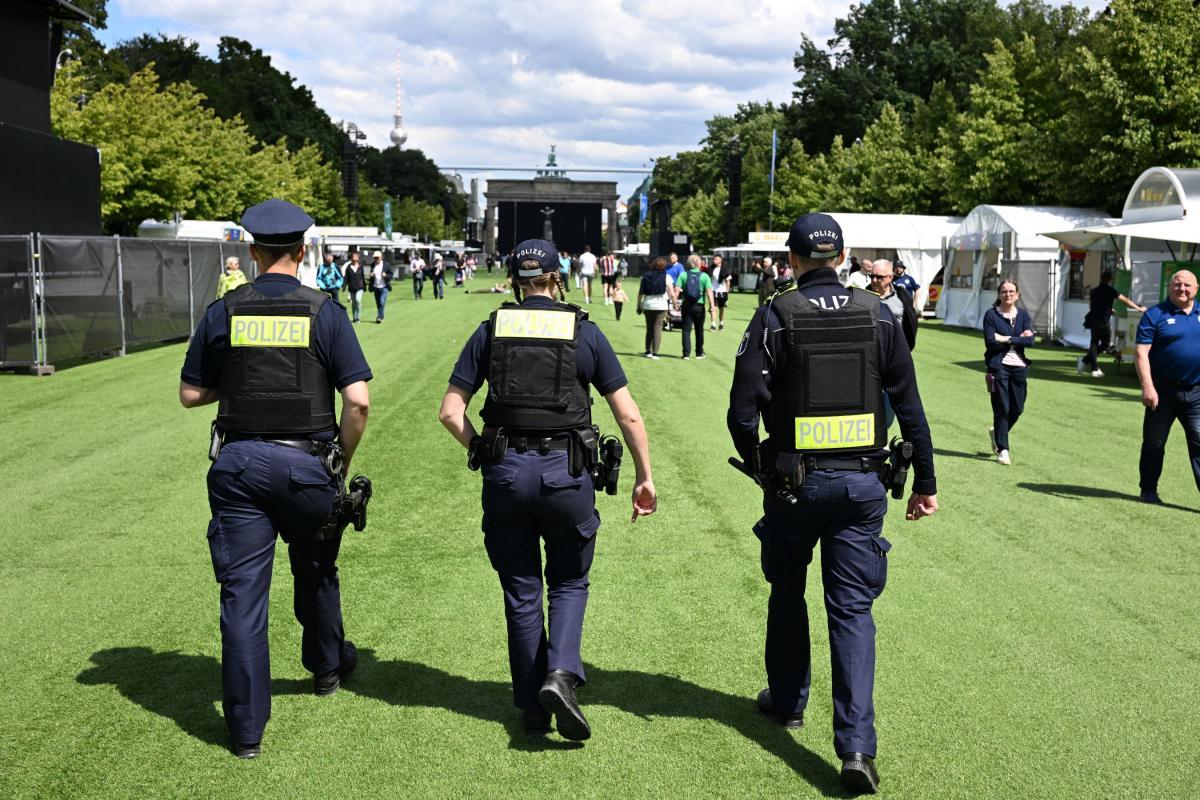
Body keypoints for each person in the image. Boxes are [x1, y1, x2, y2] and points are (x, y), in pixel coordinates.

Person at [727, 213, 937, 795]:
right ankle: (857, 750)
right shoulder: (879, 314)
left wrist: (762, 464)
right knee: (851, 611)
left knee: (788, 589)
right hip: (864, 486)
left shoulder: (775, 314)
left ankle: (790, 703)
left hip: (796, 487)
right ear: (843, 258)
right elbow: (911, 406)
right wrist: (926, 481)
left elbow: (742, 413)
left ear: (792, 260)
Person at [438, 238, 657, 741]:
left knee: (521, 591)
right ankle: (560, 675)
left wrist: (480, 448)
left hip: (506, 473)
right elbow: (627, 413)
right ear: (557, 278)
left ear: (515, 280)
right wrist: (644, 476)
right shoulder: (584, 330)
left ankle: (532, 709)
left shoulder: (490, 329)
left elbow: (451, 412)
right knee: (569, 582)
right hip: (569, 473)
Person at [178, 198, 372, 759]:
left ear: (253, 252)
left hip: (237, 467)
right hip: (307, 465)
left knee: (242, 599)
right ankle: (327, 668)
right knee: (316, 569)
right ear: (303, 249)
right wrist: (342, 459)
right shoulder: (325, 312)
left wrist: (236, 387)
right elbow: (357, 402)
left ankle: (245, 734)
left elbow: (192, 393)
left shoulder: (224, 310)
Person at [1135, 269, 1200, 504]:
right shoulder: (1155, 315)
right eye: (1177, 284)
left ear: (1196, 288)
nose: (1181, 288)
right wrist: (1147, 387)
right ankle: (1148, 490)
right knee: (1154, 442)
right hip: (1162, 392)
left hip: (1196, 392)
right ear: (1169, 287)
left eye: (1187, 285)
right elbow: (1141, 353)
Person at [983, 279, 1034, 466]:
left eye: (1011, 291)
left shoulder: (1023, 316)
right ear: (999, 295)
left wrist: (1005, 338)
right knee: (1002, 407)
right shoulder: (991, 315)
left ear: (1017, 295)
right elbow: (990, 341)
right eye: (1004, 291)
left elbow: (1030, 341)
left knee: (1017, 408)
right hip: (998, 366)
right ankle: (1003, 450)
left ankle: (996, 431)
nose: (1008, 294)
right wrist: (1017, 338)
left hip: (1019, 366)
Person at [1079, 270, 1145, 377]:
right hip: (1103, 321)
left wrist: (1110, 310)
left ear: (1101, 278)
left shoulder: (1094, 291)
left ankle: (1085, 360)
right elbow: (1125, 300)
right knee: (1102, 344)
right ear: (1110, 279)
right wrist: (1138, 308)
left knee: (1096, 343)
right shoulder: (1111, 290)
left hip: (1094, 319)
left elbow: (1091, 306)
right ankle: (1094, 368)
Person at [669, 253, 714, 360]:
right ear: (698, 263)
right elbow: (709, 292)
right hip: (699, 306)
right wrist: (712, 305)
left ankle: (686, 354)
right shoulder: (704, 276)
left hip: (686, 305)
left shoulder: (683, 275)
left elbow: (676, 291)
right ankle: (699, 352)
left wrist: (675, 303)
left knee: (686, 330)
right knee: (699, 329)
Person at [868, 260, 918, 351]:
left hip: (897, 351)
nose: (874, 280)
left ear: (890, 277)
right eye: (872, 276)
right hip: (872, 352)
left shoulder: (902, 295)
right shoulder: (863, 295)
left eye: (879, 277)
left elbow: (912, 320)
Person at [637, 256, 670, 359]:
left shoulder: (645, 276)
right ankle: (655, 353)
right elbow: (671, 292)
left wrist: (639, 305)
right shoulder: (666, 276)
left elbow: (640, 293)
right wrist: (675, 303)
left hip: (648, 305)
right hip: (661, 305)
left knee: (649, 328)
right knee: (658, 329)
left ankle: (648, 351)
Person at [709, 254, 732, 331]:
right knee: (713, 308)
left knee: (721, 309)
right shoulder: (711, 269)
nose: (714, 260)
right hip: (713, 290)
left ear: (720, 260)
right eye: (714, 259)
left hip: (722, 291)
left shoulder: (725, 269)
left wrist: (727, 292)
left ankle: (721, 323)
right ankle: (713, 324)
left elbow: (728, 281)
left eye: (716, 259)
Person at [342, 251, 367, 322]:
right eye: (353, 256)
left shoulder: (361, 267)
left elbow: (363, 277)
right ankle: (354, 317)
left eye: (356, 256)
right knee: (353, 303)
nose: (354, 258)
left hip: (360, 287)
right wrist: (344, 287)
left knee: (358, 300)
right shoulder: (349, 267)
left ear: (358, 258)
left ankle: (358, 317)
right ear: (351, 258)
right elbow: (346, 278)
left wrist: (365, 287)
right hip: (352, 288)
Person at [370, 251, 392, 323]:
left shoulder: (386, 265)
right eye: (375, 258)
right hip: (376, 287)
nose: (376, 259)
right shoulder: (373, 265)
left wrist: (386, 275)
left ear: (381, 257)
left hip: (384, 287)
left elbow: (391, 275)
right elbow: (371, 275)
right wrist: (371, 275)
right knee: (378, 303)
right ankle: (381, 317)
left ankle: (380, 317)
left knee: (382, 302)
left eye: (377, 257)